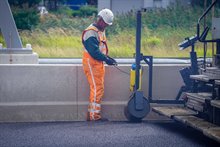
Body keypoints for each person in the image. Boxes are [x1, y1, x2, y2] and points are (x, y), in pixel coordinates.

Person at [82, 8, 117, 121]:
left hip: (97, 63)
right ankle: (94, 117)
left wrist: (107, 58)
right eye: (105, 23)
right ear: (100, 20)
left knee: (98, 89)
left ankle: (92, 115)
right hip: (92, 63)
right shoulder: (91, 32)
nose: (106, 26)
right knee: (97, 89)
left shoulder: (99, 30)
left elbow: (99, 50)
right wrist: (106, 59)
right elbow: (94, 52)